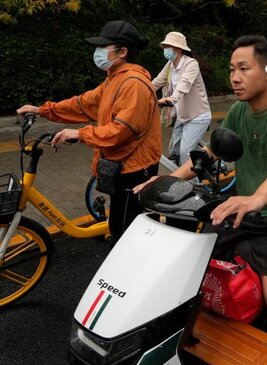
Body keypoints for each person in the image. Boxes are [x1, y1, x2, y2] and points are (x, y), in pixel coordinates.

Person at [134, 35, 267, 365]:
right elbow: (209, 155)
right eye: (232, 69)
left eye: (243, 68)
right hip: (240, 208)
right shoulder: (237, 111)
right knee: (190, 267)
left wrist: (256, 198)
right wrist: (165, 181)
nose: (234, 76)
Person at [16, 20, 161, 241]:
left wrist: (80, 134)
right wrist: (42, 110)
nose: (98, 52)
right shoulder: (114, 79)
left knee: (127, 230)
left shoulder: (134, 84)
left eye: (104, 47)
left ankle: (130, 270)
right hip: (123, 165)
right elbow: (83, 104)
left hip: (135, 169)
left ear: (122, 52)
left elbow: (122, 131)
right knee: (119, 223)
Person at [152, 31, 212, 167]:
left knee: (186, 152)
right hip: (182, 115)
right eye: (165, 45)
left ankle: (196, 185)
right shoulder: (170, 64)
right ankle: (202, 161)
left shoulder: (191, 64)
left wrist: (171, 99)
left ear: (178, 48)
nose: (166, 49)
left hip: (198, 116)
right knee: (174, 151)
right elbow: (157, 82)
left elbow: (184, 85)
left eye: (168, 46)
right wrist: (140, 93)